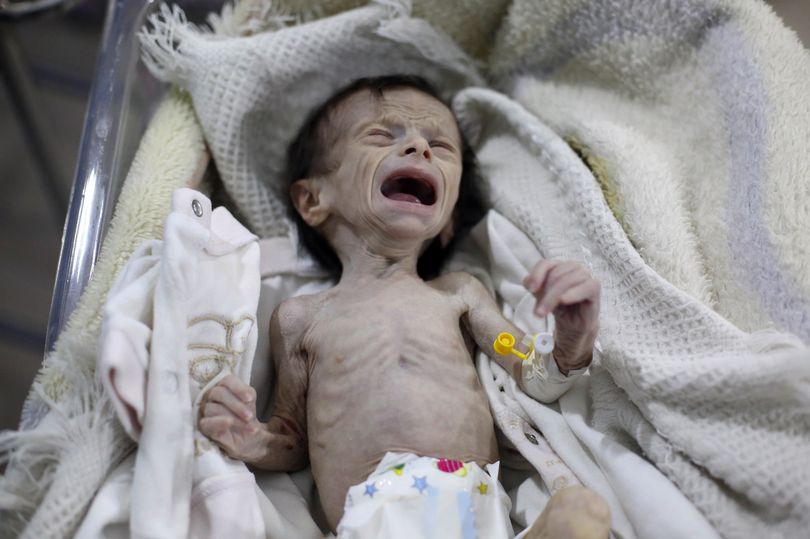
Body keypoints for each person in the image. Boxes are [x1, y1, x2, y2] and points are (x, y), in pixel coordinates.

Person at [198, 75, 610, 538]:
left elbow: (530, 369)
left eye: (441, 145)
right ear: (313, 199)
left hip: (477, 513)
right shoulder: (300, 318)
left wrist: (572, 339)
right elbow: (292, 438)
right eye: (381, 135)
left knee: (581, 512)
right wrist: (251, 439)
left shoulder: (459, 294)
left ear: (450, 220)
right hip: (375, 518)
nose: (420, 147)